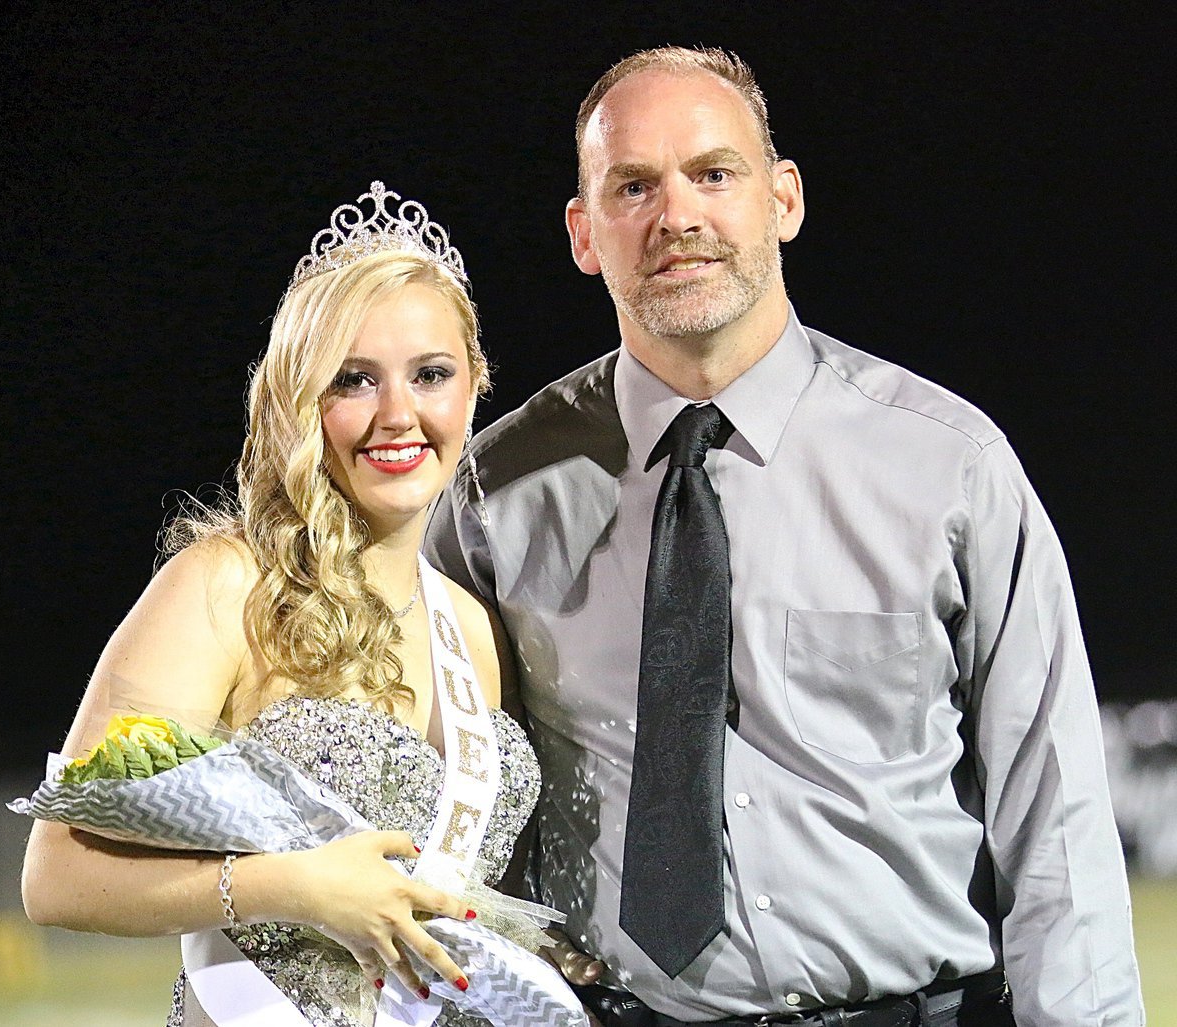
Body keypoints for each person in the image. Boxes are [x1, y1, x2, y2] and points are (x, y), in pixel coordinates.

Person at [424, 46, 1144, 1027]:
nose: (676, 216)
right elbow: (449, 798)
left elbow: (1054, 815)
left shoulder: (949, 466)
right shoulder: (494, 494)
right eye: (633, 185)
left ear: (784, 200)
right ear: (584, 233)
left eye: (713, 174)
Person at [21, 181, 542, 1027]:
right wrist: (293, 887)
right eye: (355, 380)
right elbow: (56, 877)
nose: (398, 414)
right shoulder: (224, 586)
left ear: (476, 383)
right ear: (304, 397)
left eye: (431, 374)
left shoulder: (473, 627)